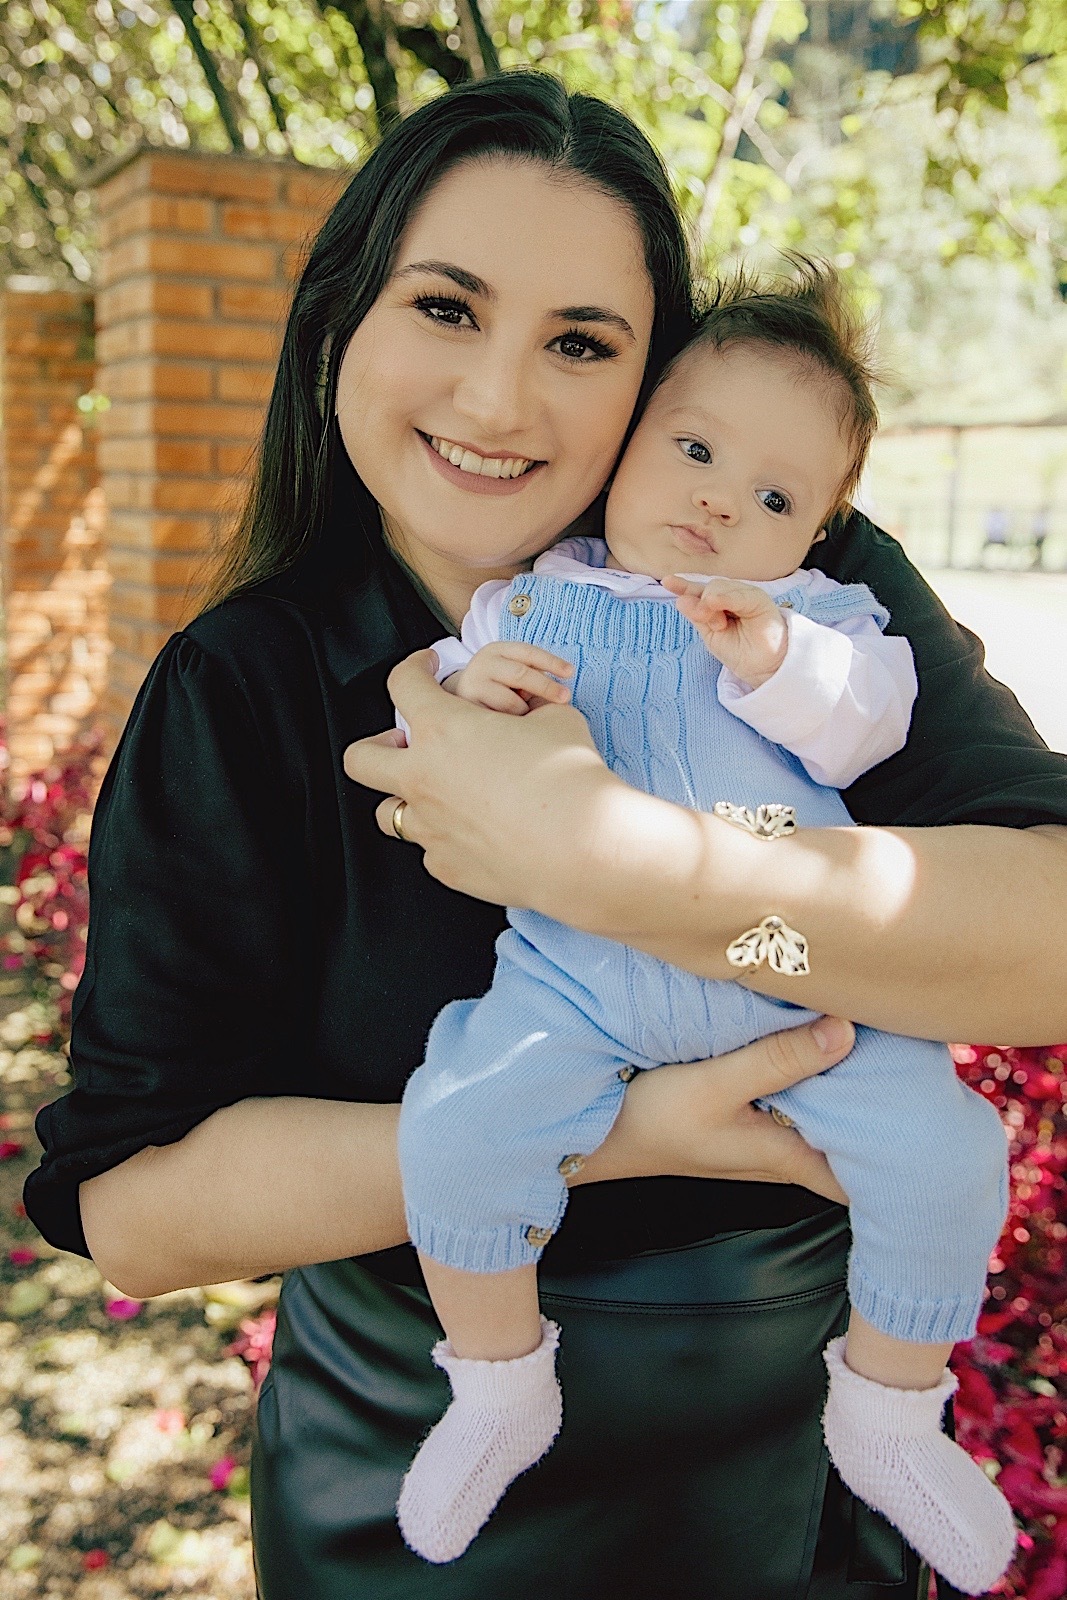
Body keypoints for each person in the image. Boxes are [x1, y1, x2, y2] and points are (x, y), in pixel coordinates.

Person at [21, 73, 1067, 1600]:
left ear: (657, 382)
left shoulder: (797, 590)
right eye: (446, 309)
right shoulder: (247, 685)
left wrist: (635, 876)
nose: (502, 402)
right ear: (340, 330)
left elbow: (1046, 945)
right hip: (420, 1486)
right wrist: (613, 1136)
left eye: (582, 342)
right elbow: (134, 1210)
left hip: (797, 1499)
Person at [391, 265, 1015, 1595]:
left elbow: (870, 725)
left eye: (778, 497)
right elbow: (438, 734)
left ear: (823, 527)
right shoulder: (527, 599)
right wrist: (475, 682)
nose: (724, 499)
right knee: (457, 1122)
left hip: (792, 977)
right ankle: (499, 1383)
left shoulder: (828, 623)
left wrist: (776, 659)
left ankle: (891, 1409)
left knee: (951, 1151)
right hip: (576, 982)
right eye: (693, 448)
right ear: (627, 441)